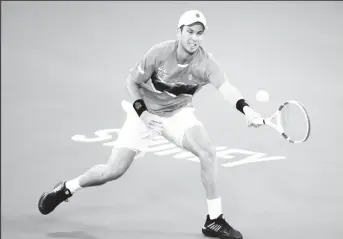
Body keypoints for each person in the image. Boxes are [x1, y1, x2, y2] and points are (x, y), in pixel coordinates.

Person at [38, 10, 264, 239]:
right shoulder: (159, 53)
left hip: (178, 113)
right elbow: (132, 82)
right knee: (111, 171)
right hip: (144, 113)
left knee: (207, 152)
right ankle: (67, 188)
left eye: (199, 33)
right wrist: (143, 114)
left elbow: (227, 89)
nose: (194, 38)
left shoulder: (206, 63)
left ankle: (214, 221)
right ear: (179, 31)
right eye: (189, 32)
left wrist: (247, 109)